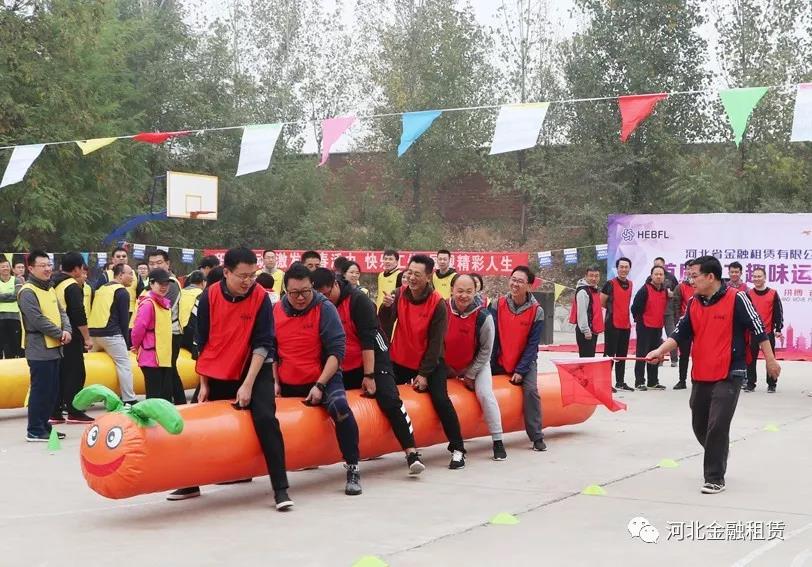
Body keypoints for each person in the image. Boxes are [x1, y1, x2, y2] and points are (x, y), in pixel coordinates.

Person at [169, 247, 292, 508]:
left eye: (252, 275)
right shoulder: (209, 296)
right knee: (195, 421)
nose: (248, 281)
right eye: (243, 276)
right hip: (218, 367)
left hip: (253, 368)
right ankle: (191, 482)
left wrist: (247, 385)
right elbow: (203, 342)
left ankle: (280, 489)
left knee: (266, 419)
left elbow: (263, 344)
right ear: (226, 272)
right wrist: (204, 384)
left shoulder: (261, 297)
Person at [647, 255, 780, 494]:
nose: (691, 280)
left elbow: (759, 328)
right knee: (700, 424)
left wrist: (770, 360)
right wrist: (660, 351)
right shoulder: (694, 303)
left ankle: (714, 477)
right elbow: (679, 333)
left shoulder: (737, 298)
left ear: (710, 277)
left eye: (694, 276)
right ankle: (719, 451)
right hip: (701, 371)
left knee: (717, 424)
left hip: (730, 371)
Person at [311, 268, 426, 475]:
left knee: (389, 399)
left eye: (327, 294)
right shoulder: (318, 305)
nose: (324, 299)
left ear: (335, 284)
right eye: (320, 296)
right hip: (343, 360)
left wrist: (369, 375)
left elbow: (368, 340)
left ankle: (411, 452)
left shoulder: (357, 300)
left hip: (374, 355)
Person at [273, 263, 362, 495]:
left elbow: (336, 352)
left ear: (312, 286)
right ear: (285, 290)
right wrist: (275, 382)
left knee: (340, 407)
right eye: (294, 293)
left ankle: (353, 467)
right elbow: (271, 350)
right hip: (289, 378)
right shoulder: (276, 311)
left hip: (324, 376)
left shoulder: (325, 308)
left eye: (305, 291)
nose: (301, 297)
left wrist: (320, 385)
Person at [379, 254, 467, 469]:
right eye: (409, 273)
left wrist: (424, 374)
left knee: (441, 400)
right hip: (400, 358)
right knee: (382, 393)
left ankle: (458, 448)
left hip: (430, 361)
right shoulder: (398, 294)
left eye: (417, 274)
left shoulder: (438, 303)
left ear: (428, 277)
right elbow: (384, 326)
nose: (411, 278)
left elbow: (436, 344)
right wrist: (385, 308)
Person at [446, 274, 506, 460]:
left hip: (477, 365)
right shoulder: (442, 309)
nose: (464, 295)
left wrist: (471, 374)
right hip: (446, 364)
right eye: (460, 291)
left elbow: (486, 350)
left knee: (485, 395)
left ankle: (497, 440)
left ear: (476, 292)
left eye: (469, 291)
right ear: (452, 290)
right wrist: (446, 367)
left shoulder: (483, 316)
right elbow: (434, 340)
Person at [489, 266, 546, 452]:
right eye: (513, 279)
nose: (515, 284)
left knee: (531, 391)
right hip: (500, 359)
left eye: (520, 281)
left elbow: (532, 345)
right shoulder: (497, 304)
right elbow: (492, 337)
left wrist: (521, 370)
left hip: (525, 362)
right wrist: (489, 365)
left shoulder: (537, 311)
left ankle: (537, 436)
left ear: (529, 286)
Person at [18, 250, 70, 442]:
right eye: (43, 266)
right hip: (39, 348)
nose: (48, 269)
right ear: (31, 268)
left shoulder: (49, 288)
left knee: (52, 391)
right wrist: (60, 333)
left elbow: (61, 312)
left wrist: (67, 330)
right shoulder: (27, 292)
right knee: (40, 390)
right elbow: (37, 320)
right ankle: (34, 429)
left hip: (55, 347)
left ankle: (44, 425)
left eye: (49, 265)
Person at [52, 252, 94, 423]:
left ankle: (55, 411)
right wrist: (87, 338)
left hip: (55, 334)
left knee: (60, 373)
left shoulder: (53, 282)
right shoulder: (71, 286)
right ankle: (74, 411)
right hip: (71, 336)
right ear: (77, 269)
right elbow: (78, 313)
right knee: (76, 373)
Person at [88, 263, 137, 404]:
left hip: (93, 334)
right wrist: (126, 342)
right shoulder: (122, 292)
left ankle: (90, 397)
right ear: (120, 275)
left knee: (93, 367)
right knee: (124, 365)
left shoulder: (101, 289)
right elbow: (124, 320)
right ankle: (129, 398)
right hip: (111, 334)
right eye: (130, 274)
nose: (132, 277)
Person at [147, 249, 186, 405]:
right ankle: (180, 402)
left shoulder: (171, 283)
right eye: (151, 263)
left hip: (171, 333)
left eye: (159, 262)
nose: (155, 266)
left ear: (167, 264)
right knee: (169, 370)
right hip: (160, 333)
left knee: (168, 369)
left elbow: (162, 307)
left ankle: (172, 403)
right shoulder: (152, 282)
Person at [131, 269, 174, 402]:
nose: (164, 287)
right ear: (151, 283)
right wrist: (135, 345)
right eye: (161, 283)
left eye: (166, 284)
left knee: (163, 394)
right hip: (151, 357)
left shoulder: (163, 303)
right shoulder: (148, 304)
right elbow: (138, 329)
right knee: (154, 395)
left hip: (163, 357)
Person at [745, 267, 783, 393]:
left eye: (759, 276)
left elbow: (778, 312)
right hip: (752, 332)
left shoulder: (773, 293)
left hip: (767, 333)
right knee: (750, 359)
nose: (757, 279)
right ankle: (750, 383)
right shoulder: (748, 294)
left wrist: (778, 328)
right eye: (755, 276)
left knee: (770, 359)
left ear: (765, 277)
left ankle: (772, 384)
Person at [631, 266, 668, 391]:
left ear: (664, 276)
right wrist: (640, 320)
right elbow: (635, 308)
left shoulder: (664, 291)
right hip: (644, 326)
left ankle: (653, 381)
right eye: (656, 274)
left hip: (657, 327)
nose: (658, 276)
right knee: (642, 355)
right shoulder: (644, 290)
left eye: (661, 274)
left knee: (655, 355)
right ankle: (639, 382)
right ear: (651, 275)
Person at [600, 257, 634, 392]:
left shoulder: (630, 284)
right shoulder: (610, 284)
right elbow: (602, 301)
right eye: (621, 267)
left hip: (625, 324)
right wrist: (612, 311)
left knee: (622, 355)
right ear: (617, 268)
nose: (624, 269)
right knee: (609, 355)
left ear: (629, 269)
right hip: (612, 324)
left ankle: (620, 381)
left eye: (626, 267)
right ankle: (605, 383)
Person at [96, 246, 138, 319]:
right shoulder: (105, 276)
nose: (121, 258)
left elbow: (141, 296)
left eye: (124, 256)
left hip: (131, 315)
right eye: (118, 256)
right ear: (113, 259)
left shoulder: (136, 275)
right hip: (111, 315)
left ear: (127, 258)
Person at [570, 265, 603, 358]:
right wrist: (586, 330)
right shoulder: (583, 292)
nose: (594, 278)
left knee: (590, 358)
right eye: (591, 275)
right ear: (586, 276)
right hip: (586, 332)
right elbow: (582, 313)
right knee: (586, 359)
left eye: (596, 276)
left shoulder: (593, 289)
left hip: (592, 330)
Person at [653, 257, 679, 366]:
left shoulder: (671, 277)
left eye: (659, 265)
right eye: (655, 265)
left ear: (664, 265)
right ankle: (658, 359)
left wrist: (672, 294)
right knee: (656, 336)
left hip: (668, 311)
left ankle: (674, 360)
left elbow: (678, 293)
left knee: (672, 335)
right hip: (656, 312)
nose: (657, 267)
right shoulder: (650, 278)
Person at [672, 262, 694, 390]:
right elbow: (676, 306)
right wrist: (678, 323)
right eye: (688, 269)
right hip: (685, 325)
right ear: (685, 271)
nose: (691, 271)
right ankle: (682, 380)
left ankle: (698, 379)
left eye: (693, 269)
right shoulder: (680, 287)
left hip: (701, 325)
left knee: (700, 354)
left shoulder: (702, 286)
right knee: (684, 354)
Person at [0, 254, 23, 359]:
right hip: (0, 318)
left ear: (10, 268)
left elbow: (18, 295)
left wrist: (2, 296)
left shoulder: (16, 280)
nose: (5, 268)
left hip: (14, 317)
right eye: (2, 266)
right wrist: (11, 296)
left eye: (7, 266)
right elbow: (13, 296)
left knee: (13, 345)